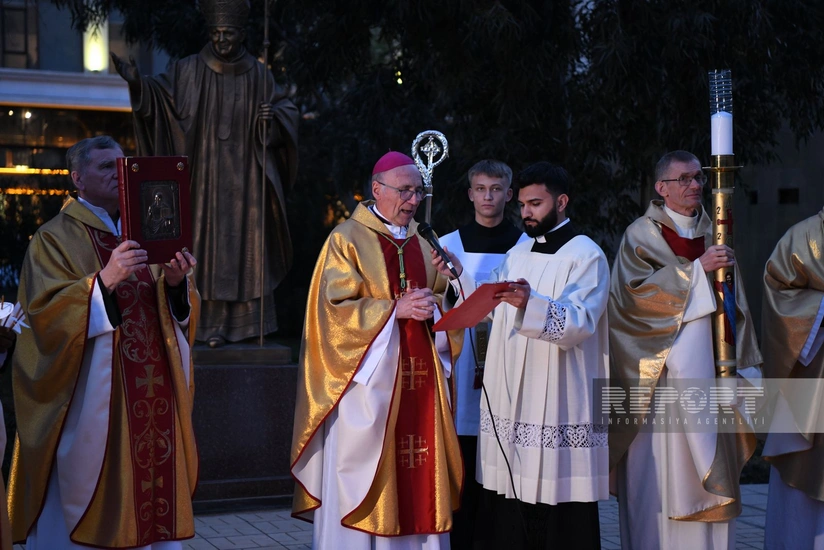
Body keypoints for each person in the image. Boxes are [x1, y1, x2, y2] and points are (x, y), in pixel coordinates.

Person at [8, 136, 200, 548]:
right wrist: (103, 283)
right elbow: (42, 317)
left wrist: (176, 283)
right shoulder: (54, 238)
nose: (118, 175)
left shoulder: (151, 225)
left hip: (153, 392)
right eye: (104, 168)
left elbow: (179, 314)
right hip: (94, 395)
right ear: (77, 178)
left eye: (122, 166)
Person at [290, 151, 464, 549]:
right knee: (361, 478)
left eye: (418, 191)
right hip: (365, 393)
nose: (413, 200)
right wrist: (392, 311)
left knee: (419, 478)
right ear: (376, 189)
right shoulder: (346, 239)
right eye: (404, 191)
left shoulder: (424, 239)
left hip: (420, 389)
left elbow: (445, 304)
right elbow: (330, 314)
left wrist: (449, 287)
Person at [435, 161, 610, 549]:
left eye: (536, 204)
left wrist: (531, 303)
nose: (526, 213)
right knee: (509, 502)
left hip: (559, 398)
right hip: (515, 396)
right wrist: (458, 277)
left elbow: (581, 322)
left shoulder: (587, 255)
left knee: (560, 508)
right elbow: (492, 303)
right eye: (525, 205)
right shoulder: (520, 251)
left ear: (561, 202)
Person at [112, 0, 299, 347]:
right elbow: (160, 100)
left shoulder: (261, 75)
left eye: (228, 34)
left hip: (247, 183)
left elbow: (285, 113)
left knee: (246, 252)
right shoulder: (187, 70)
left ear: (242, 35)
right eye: (216, 33)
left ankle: (246, 327)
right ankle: (204, 323)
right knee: (202, 248)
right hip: (201, 183)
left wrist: (271, 122)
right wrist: (139, 85)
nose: (222, 40)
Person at [608, 150, 762, 549]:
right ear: (662, 188)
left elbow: (735, 306)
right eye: (685, 179)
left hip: (707, 380)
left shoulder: (715, 235)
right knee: (656, 485)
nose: (696, 186)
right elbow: (630, 303)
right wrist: (697, 272)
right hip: (655, 388)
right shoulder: (640, 235)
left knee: (706, 485)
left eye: (699, 178)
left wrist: (738, 367)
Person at [438, 159, 528, 547]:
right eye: (480, 188)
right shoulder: (447, 245)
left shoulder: (528, 246)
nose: (488, 196)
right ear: (470, 193)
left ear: (509, 194)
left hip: (509, 367)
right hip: (461, 368)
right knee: (463, 459)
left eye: (496, 189)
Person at [760, 207, 824, 549]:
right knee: (800, 486)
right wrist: (821, 310)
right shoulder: (805, 236)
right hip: (813, 376)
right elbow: (777, 289)